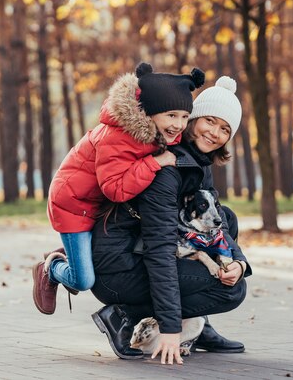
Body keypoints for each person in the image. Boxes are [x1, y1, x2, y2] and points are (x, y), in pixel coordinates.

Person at [89, 75, 251, 364]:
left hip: (142, 256)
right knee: (231, 292)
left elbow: (220, 224)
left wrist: (238, 262)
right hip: (120, 269)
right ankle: (124, 315)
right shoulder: (168, 166)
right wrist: (171, 329)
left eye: (225, 129)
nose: (215, 133)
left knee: (225, 217)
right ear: (193, 119)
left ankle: (200, 326)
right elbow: (160, 247)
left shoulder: (199, 161)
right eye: (209, 121)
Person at [32, 62, 206, 315]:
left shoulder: (156, 132)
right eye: (171, 115)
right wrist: (154, 162)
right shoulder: (118, 136)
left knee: (93, 260)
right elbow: (115, 189)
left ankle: (77, 255)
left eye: (184, 117)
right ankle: (51, 267)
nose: (179, 125)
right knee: (83, 280)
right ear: (150, 112)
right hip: (73, 206)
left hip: (97, 204)